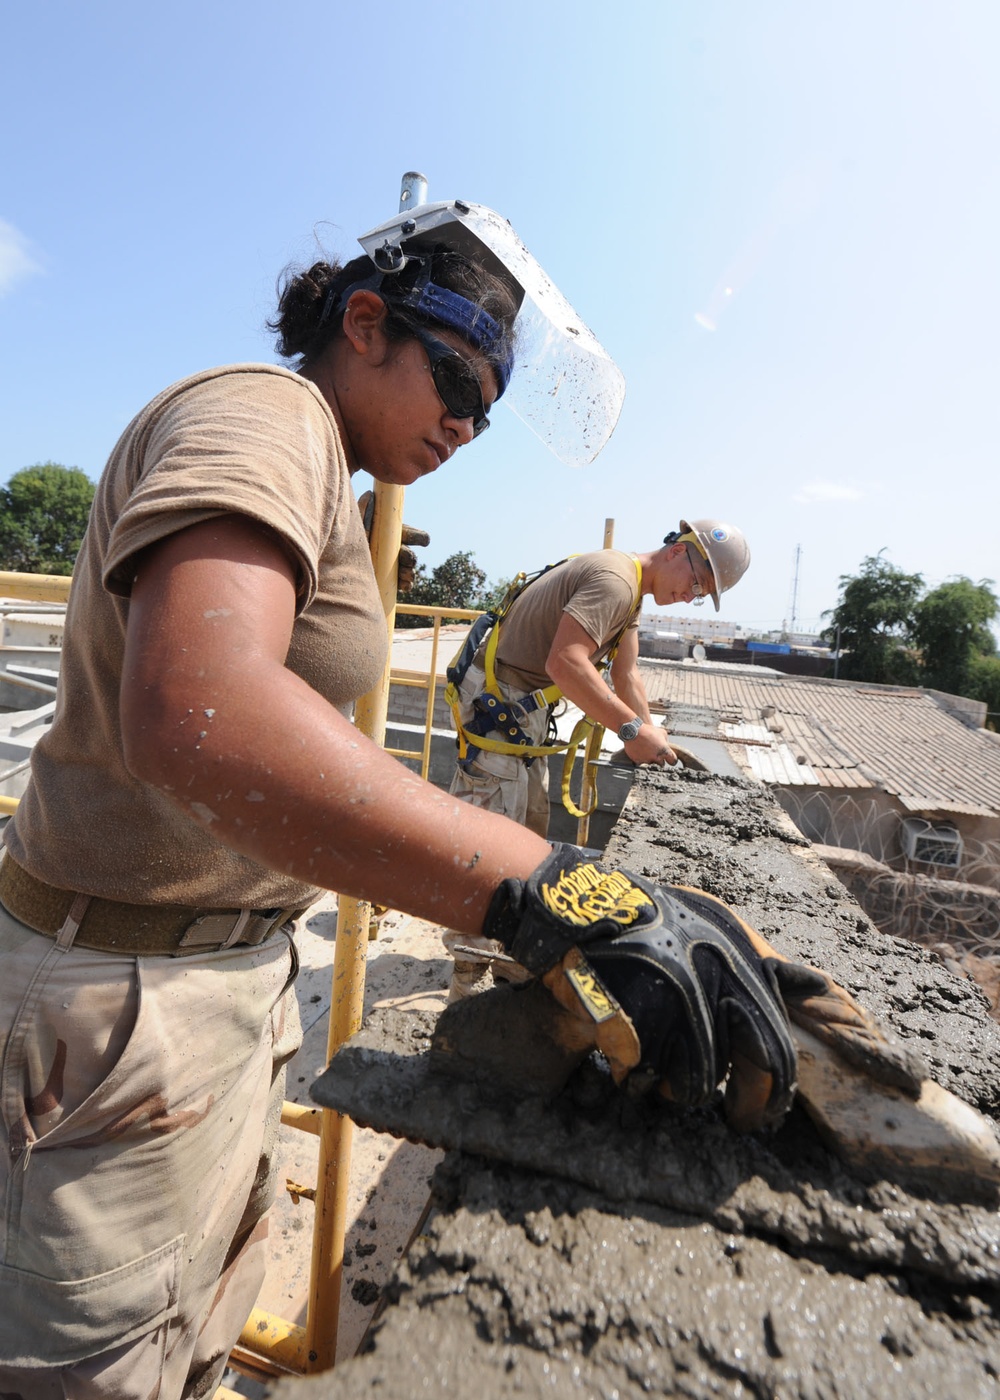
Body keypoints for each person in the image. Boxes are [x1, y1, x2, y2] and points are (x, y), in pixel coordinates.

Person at [0, 198, 802, 1400]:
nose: (471, 425)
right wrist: (535, 878)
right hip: (114, 1003)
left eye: (489, 405)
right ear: (363, 322)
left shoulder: (329, 464)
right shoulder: (261, 414)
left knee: (198, 1328)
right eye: (458, 380)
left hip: (219, 973)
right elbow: (198, 707)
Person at [442, 522, 750, 995]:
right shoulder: (615, 581)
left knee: (528, 834)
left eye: (701, 594)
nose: (690, 596)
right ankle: (466, 984)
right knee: (488, 851)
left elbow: (626, 677)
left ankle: (505, 955)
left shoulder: (631, 596)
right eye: (696, 584)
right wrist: (629, 730)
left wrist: (651, 740)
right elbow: (564, 662)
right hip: (496, 709)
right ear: (677, 552)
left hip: (516, 714)